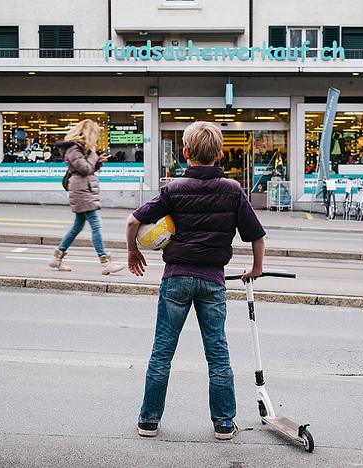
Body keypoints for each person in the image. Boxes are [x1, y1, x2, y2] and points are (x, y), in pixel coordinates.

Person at [125, 121, 266, 441]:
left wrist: (133, 252)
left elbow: (133, 221)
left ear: (186, 153)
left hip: (176, 278)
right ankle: (223, 424)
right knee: (217, 355)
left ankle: (148, 421)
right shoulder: (232, 190)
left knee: (162, 352)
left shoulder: (173, 189)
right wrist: (256, 269)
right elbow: (257, 236)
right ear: (219, 154)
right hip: (213, 282)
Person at [48, 119, 124, 275]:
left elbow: (88, 168)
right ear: (89, 134)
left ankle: (57, 257)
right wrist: (94, 156)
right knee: (96, 224)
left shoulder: (79, 149)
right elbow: (84, 169)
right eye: (95, 134)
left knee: (77, 226)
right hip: (81, 190)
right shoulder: (73, 149)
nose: (96, 138)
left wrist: (97, 161)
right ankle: (105, 262)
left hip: (83, 189)